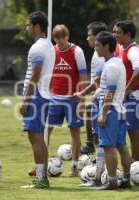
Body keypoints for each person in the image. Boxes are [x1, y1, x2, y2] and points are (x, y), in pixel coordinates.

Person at [20, 11, 55, 189]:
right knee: (39, 137)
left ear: (37, 26)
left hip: (37, 96)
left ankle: (41, 179)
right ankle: (42, 177)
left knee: (35, 137)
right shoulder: (49, 45)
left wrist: (26, 100)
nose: (26, 28)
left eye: (28, 25)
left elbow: (35, 75)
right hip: (45, 94)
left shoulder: (38, 48)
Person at [48, 24, 87, 177]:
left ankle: (75, 167)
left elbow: (83, 76)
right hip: (54, 98)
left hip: (72, 98)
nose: (59, 43)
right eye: (56, 39)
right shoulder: (52, 50)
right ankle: (42, 165)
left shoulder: (77, 51)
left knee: (75, 132)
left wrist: (82, 99)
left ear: (67, 37)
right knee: (46, 130)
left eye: (62, 39)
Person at [94, 31, 132, 190]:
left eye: (97, 45)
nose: (95, 48)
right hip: (120, 110)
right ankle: (126, 180)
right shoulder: (117, 63)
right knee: (122, 147)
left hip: (111, 112)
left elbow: (110, 91)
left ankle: (111, 182)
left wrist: (103, 113)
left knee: (108, 147)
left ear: (106, 46)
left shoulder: (111, 66)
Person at [74, 21, 108, 186]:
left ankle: (102, 174)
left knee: (100, 137)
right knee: (97, 136)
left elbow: (99, 80)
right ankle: (100, 171)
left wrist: (84, 93)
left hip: (101, 101)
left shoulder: (100, 56)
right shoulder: (97, 54)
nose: (87, 38)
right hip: (98, 100)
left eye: (89, 35)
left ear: (97, 36)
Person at [113, 20, 139, 161]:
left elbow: (138, 71)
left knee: (133, 132)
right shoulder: (121, 48)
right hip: (126, 95)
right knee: (126, 130)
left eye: (118, 32)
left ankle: (137, 165)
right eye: (114, 31)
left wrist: (126, 90)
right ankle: (132, 164)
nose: (115, 35)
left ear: (127, 35)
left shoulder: (133, 50)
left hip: (135, 95)